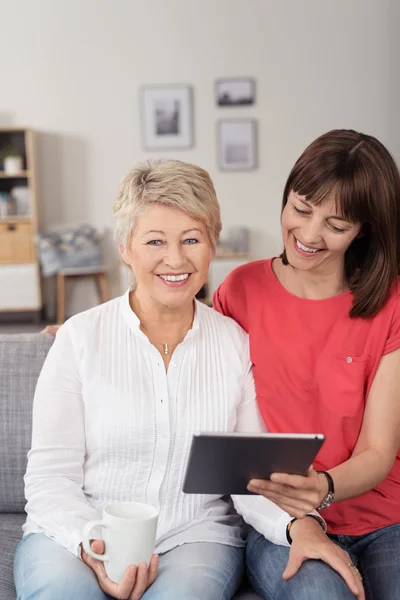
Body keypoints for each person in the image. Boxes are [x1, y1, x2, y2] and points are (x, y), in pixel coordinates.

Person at [16, 159, 351, 600]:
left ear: (213, 243)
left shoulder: (234, 344)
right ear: (125, 246)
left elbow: (251, 480)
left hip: (194, 538)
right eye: (155, 241)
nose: (175, 259)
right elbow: (49, 479)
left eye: (191, 239)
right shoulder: (80, 339)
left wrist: (296, 527)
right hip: (78, 531)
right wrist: (93, 544)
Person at [214, 129, 400, 600]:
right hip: (281, 521)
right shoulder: (239, 291)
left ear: (365, 230)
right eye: (300, 209)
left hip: (383, 517)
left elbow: (379, 451)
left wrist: (325, 486)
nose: (309, 234)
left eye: (336, 225)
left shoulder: (390, 303)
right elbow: (192, 360)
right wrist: (93, 327)